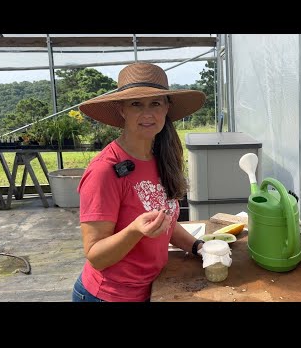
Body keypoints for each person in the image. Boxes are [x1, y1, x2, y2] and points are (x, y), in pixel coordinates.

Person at [71, 62, 207, 302]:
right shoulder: (104, 170)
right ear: (122, 109)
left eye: (155, 103)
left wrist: (198, 247)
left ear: (167, 107)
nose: (147, 114)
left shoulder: (161, 157)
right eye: (136, 104)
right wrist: (135, 230)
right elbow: (96, 255)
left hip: (152, 288)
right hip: (108, 296)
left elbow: (165, 220)